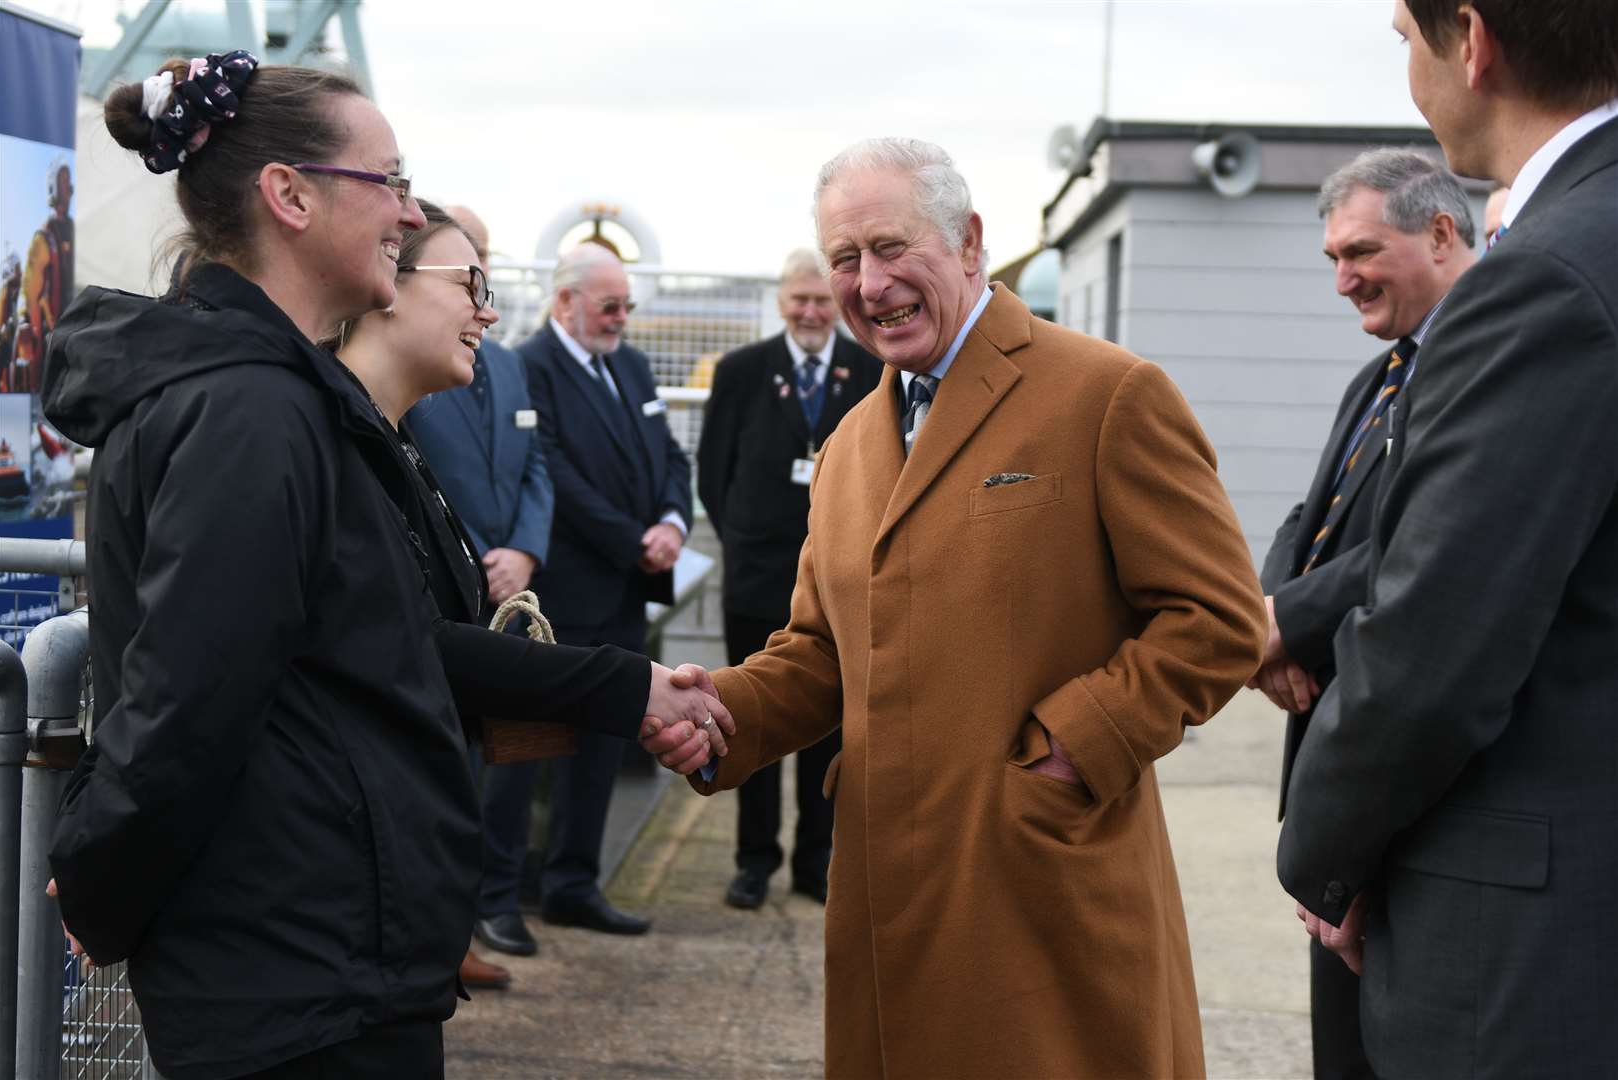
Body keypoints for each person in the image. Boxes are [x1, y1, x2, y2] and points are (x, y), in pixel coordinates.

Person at [41, 55, 723, 1080]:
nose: (408, 215)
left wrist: (626, 686)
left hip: (333, 961)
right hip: (292, 981)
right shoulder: (249, 413)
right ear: (290, 196)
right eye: (389, 182)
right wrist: (99, 884)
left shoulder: (288, 401)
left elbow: (376, 639)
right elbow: (187, 700)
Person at [653, 137, 1265, 1078]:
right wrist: (717, 714)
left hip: (1036, 881)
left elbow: (1219, 618)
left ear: (971, 242)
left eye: (892, 248)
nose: (869, 283)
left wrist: (1066, 751)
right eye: (845, 260)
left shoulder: (1106, 394)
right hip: (886, 890)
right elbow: (823, 649)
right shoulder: (855, 440)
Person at [1278, 2, 1618, 1075]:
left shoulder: (1544, 276)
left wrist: (1321, 855)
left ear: (1471, 42)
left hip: (1528, 945)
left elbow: (1433, 651)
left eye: (1401, 39)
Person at [1257, 147, 1476, 1080]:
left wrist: (1279, 623)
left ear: (1439, 231)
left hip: (1402, 788)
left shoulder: (1485, 365)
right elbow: (1308, 522)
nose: (1343, 280)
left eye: (1361, 253)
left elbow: (1417, 550)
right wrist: (1270, 621)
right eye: (1332, 260)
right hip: (1334, 778)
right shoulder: (1381, 372)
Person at [513, 243, 693, 937]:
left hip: (624, 590)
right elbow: (553, 473)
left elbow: (670, 456)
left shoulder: (631, 364)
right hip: (564, 590)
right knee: (532, 752)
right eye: (608, 306)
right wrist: (634, 540)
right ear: (565, 302)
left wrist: (674, 522)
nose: (620, 319)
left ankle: (574, 883)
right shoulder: (533, 367)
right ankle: (502, 893)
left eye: (626, 307)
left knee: (604, 747)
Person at [697, 247, 882, 910]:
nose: (809, 311)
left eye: (821, 301)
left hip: (840, 580)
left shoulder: (869, 369)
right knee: (743, 716)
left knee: (828, 720)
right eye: (799, 300)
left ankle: (816, 859)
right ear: (781, 301)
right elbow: (712, 473)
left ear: (838, 303)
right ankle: (754, 859)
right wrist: (744, 538)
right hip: (755, 575)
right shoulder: (744, 371)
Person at [403, 204, 552, 985]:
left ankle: (476, 918)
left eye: (487, 268)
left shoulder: (512, 363)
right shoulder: (417, 362)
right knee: (441, 773)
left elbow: (534, 466)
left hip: (503, 591)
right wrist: (470, 556)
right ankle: (444, 938)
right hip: (442, 590)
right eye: (468, 276)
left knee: (495, 771)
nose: (483, 299)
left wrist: (524, 549)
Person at [12, 158, 73, 392]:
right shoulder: (44, 237)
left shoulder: (75, 230)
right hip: (53, 331)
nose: (68, 189)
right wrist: (25, 319)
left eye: (69, 183)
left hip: (76, 324)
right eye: (63, 183)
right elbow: (30, 287)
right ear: (54, 189)